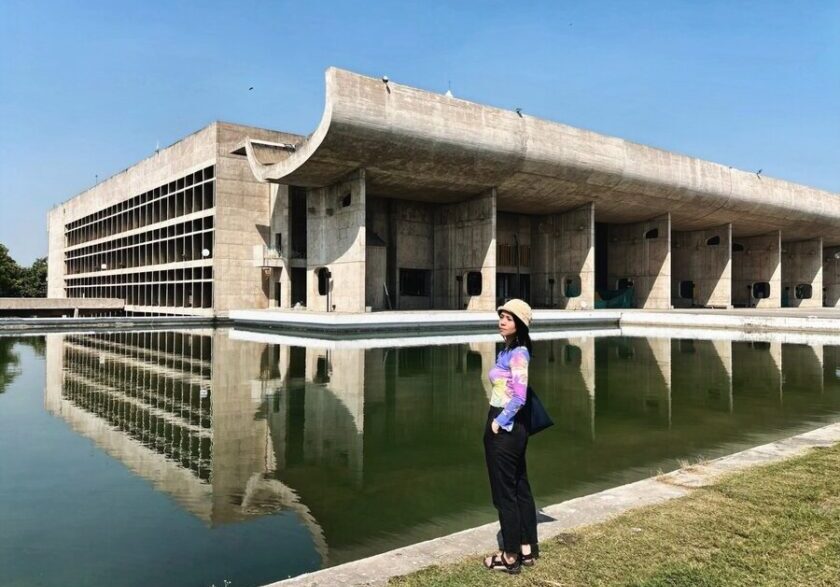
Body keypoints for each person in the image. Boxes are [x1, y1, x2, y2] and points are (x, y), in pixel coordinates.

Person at [482, 299, 538, 574]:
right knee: (518, 487)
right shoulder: (509, 350)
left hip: (505, 427)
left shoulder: (518, 355)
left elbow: (519, 396)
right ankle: (526, 550)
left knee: (504, 493)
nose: (502, 321)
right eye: (502, 316)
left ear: (520, 326)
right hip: (511, 428)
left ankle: (509, 556)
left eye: (509, 318)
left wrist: (498, 422)